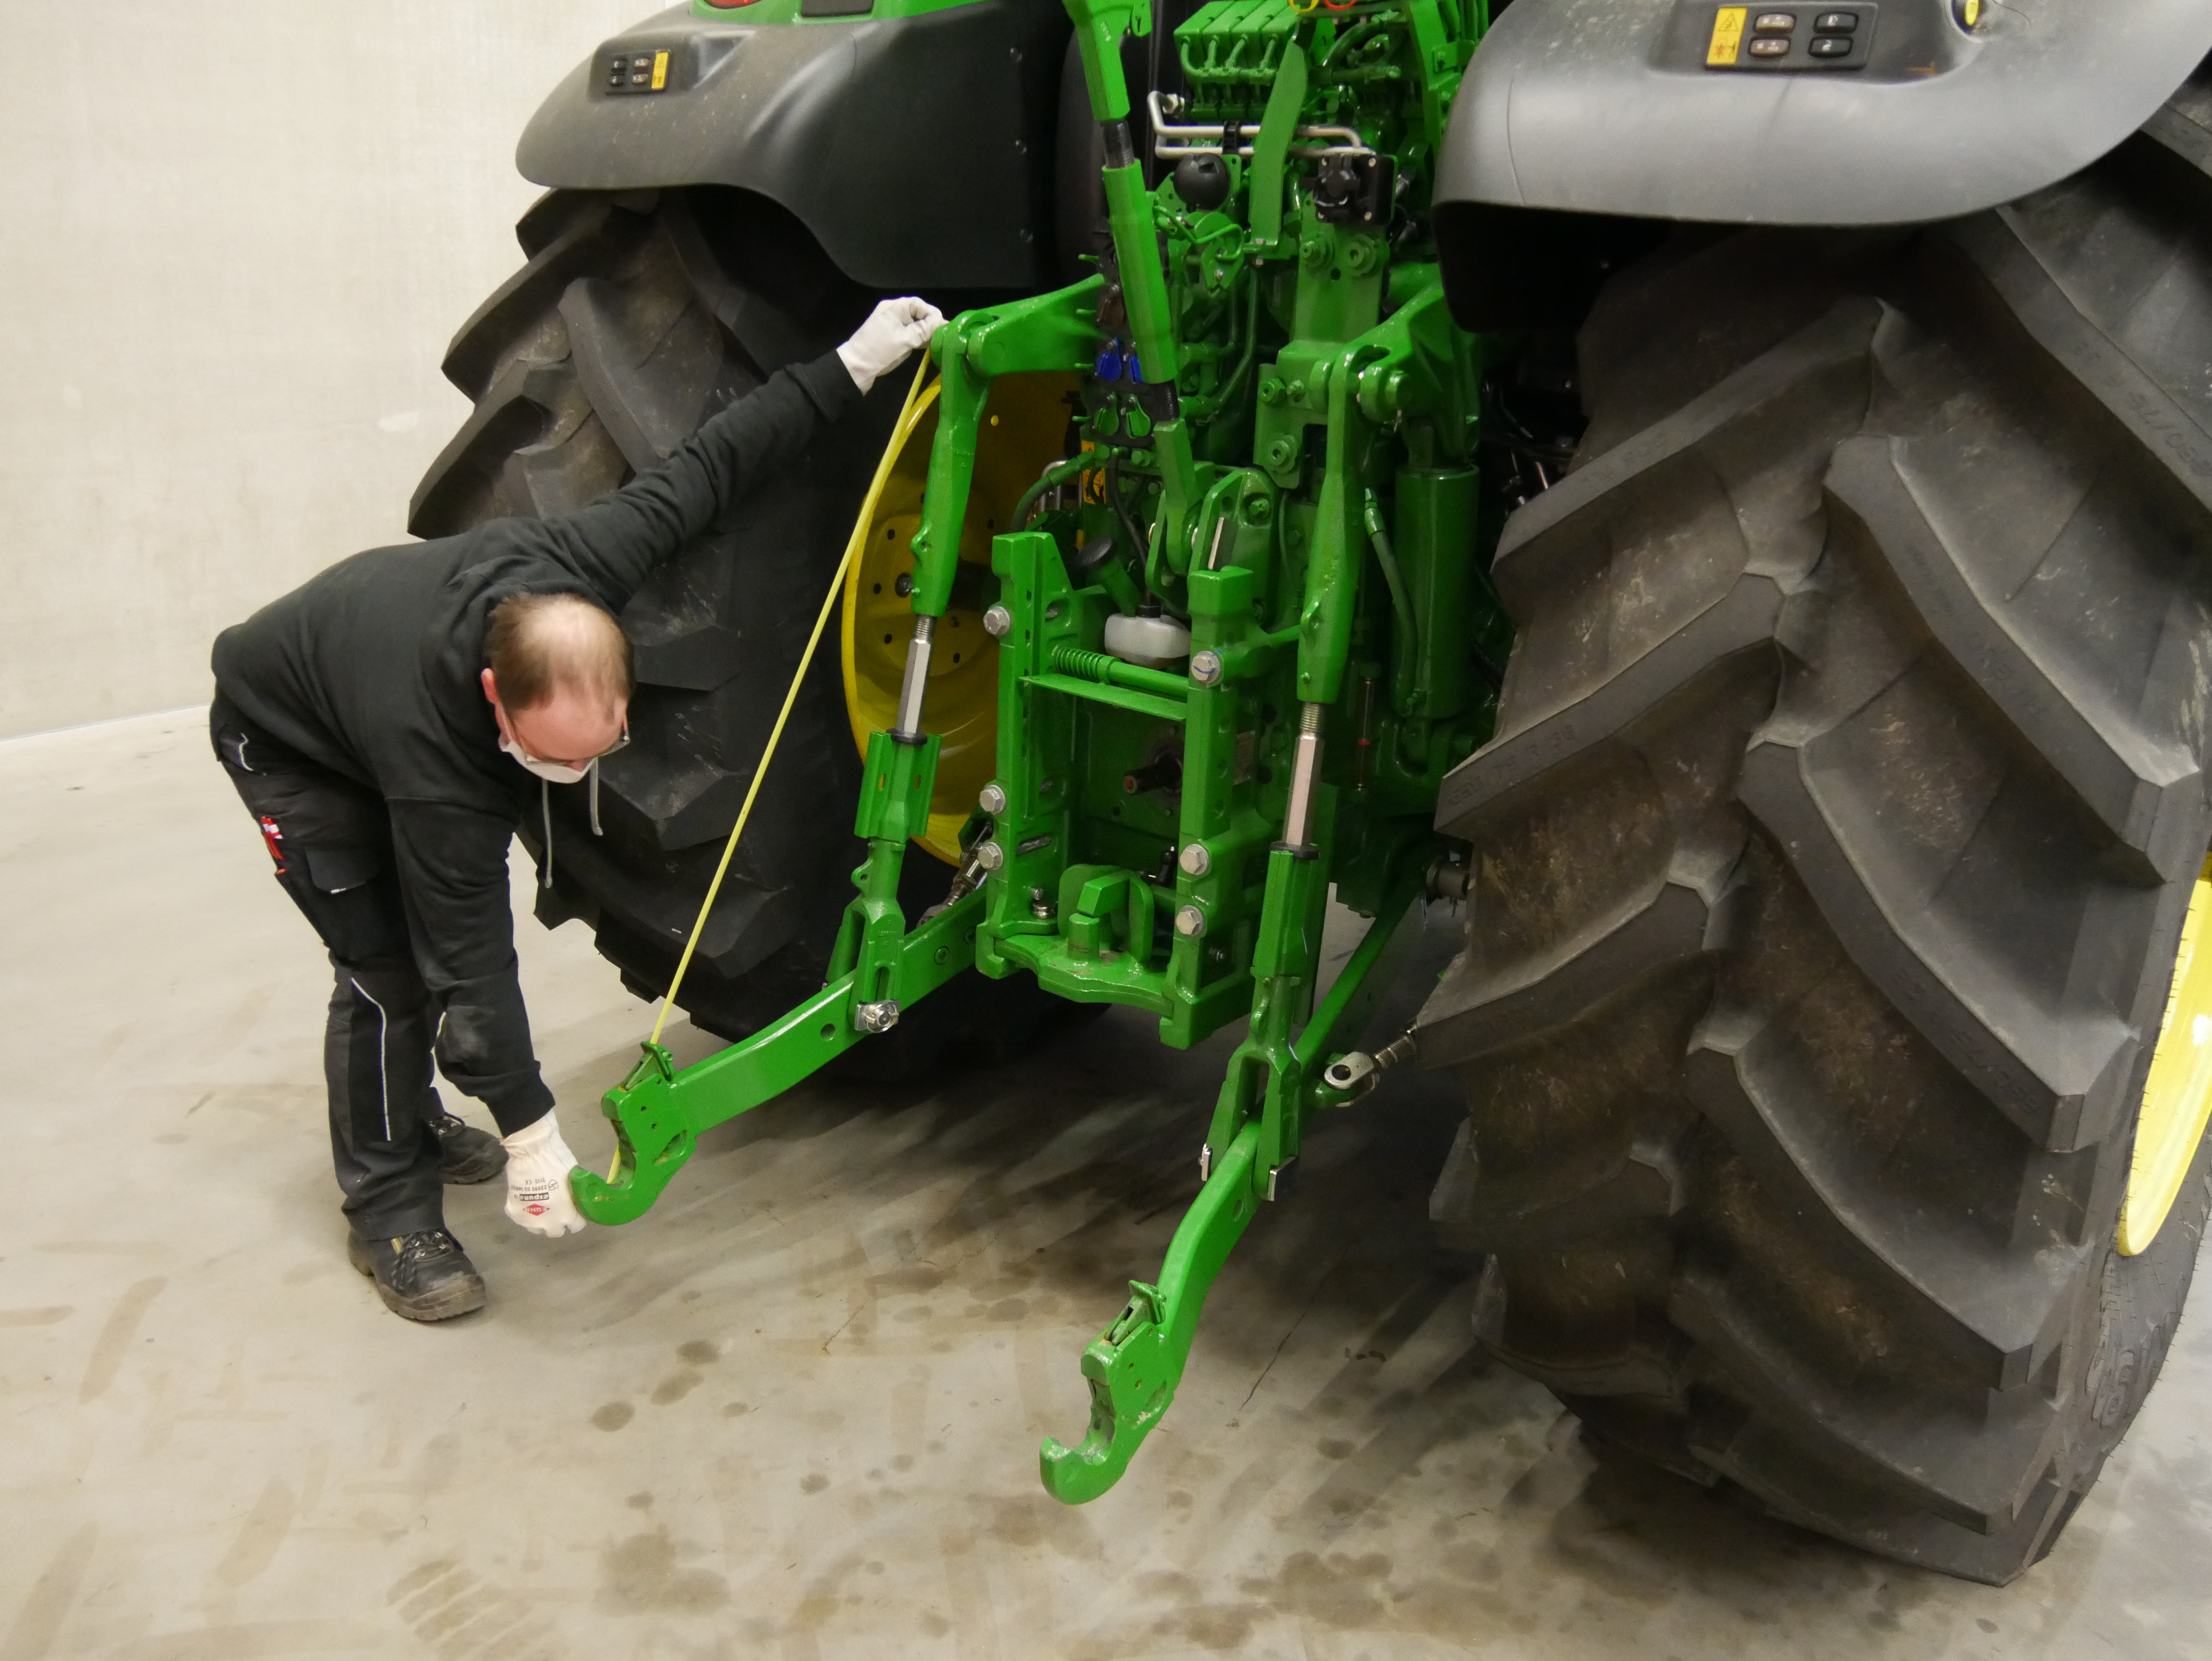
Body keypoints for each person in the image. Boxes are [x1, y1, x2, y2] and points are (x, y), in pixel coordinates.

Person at [209, 296, 945, 1321]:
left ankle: (412, 1122)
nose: (570, 774)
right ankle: (389, 1211)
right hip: (283, 736)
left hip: (362, 682)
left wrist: (852, 364)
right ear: (493, 701)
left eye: (595, 749)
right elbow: (471, 961)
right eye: (548, 759)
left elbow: (713, 463)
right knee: (385, 970)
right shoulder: (437, 759)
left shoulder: (584, 561)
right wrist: (531, 1134)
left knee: (413, 962)